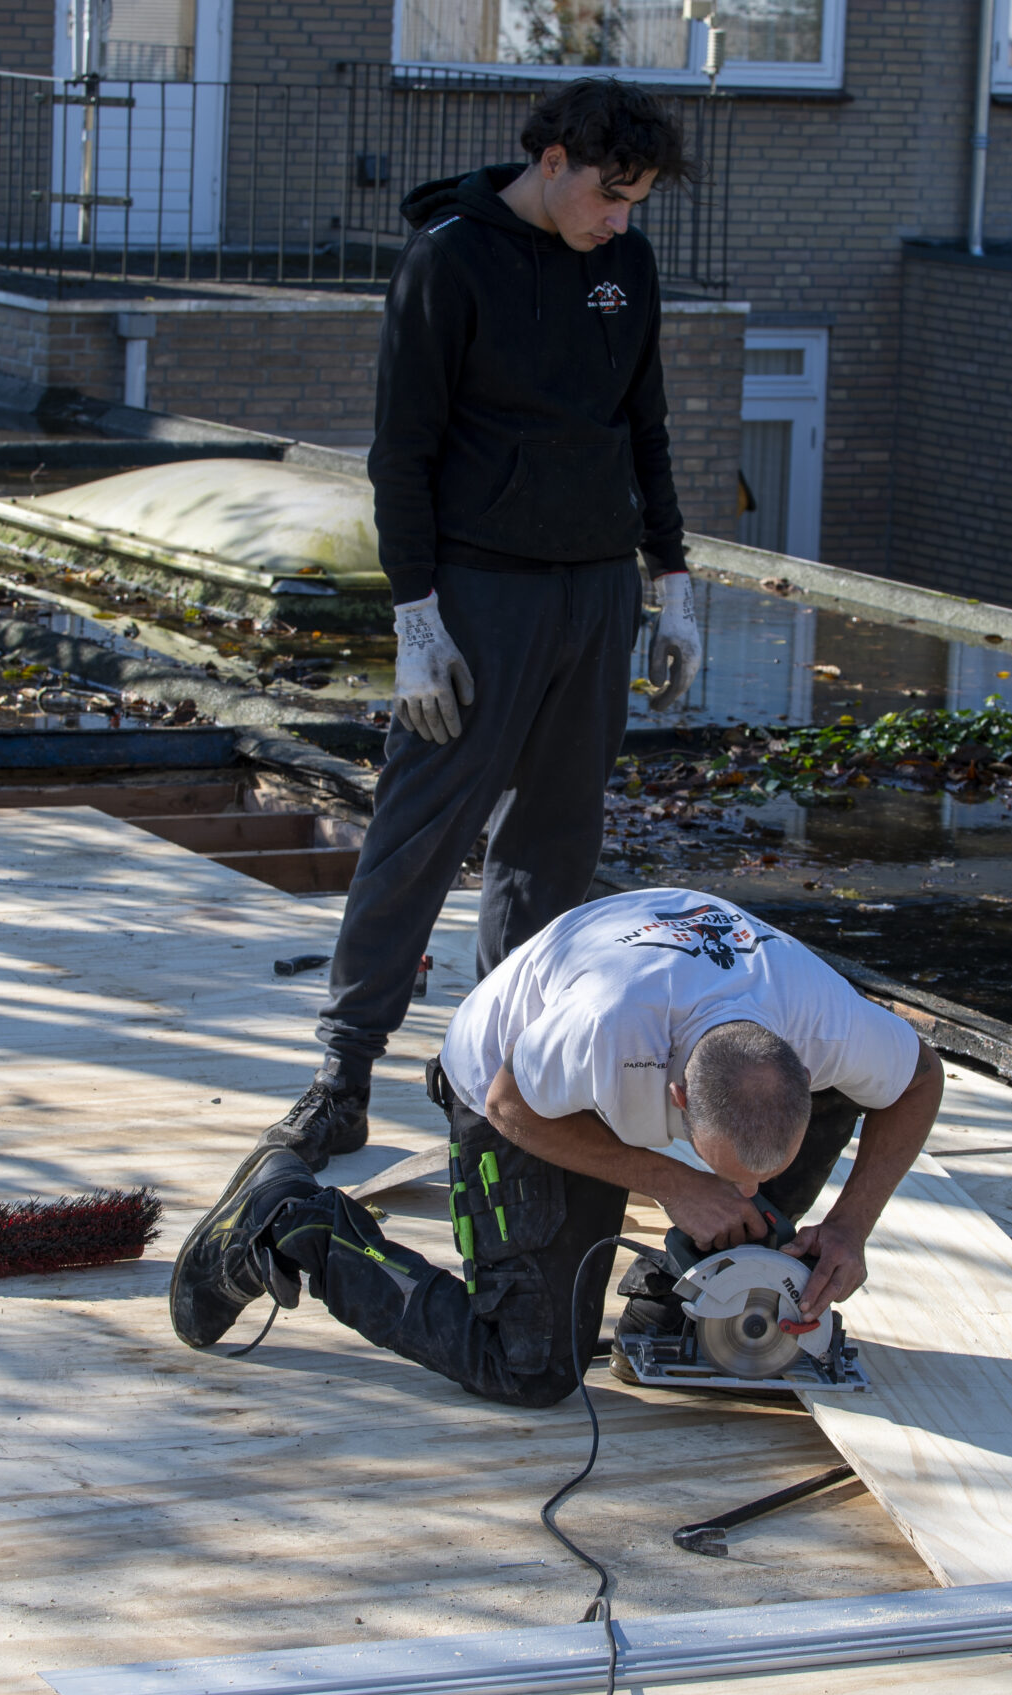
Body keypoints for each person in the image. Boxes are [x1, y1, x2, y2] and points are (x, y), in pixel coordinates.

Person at [257, 78, 708, 1173]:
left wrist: (672, 577)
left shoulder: (625, 267)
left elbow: (641, 425)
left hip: (595, 587)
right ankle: (341, 1073)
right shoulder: (448, 259)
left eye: (637, 201)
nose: (622, 219)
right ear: (550, 161)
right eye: (611, 195)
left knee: (553, 846)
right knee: (419, 831)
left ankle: (499, 1075)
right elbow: (400, 454)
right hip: (480, 590)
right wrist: (417, 615)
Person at [170, 889, 944, 1409]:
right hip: (511, 1090)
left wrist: (850, 1224)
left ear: (802, 1073)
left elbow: (920, 1078)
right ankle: (295, 1223)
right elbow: (512, 1104)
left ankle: (676, 1302)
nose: (747, 1200)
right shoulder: (606, 1028)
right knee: (530, 1367)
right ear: (675, 1100)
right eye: (736, 1182)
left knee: (865, 1093)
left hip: (660, 1031)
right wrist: (669, 1181)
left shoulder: (825, 1023)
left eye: (751, 1187)